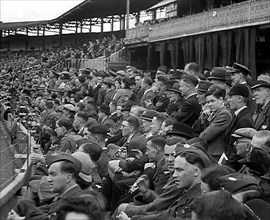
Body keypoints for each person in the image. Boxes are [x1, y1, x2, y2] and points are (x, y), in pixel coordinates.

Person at [7, 153, 88, 220]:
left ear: (68, 178)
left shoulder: (77, 202)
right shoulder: (66, 196)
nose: (48, 179)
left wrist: (22, 219)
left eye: (53, 174)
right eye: (48, 174)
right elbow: (48, 209)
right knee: (24, 203)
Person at [225, 84, 254, 169]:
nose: (228, 101)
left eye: (231, 97)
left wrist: (228, 165)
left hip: (235, 166)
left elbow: (242, 148)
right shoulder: (238, 116)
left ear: (240, 99)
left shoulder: (244, 119)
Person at [199, 86, 232, 160]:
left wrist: (197, 140)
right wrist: (203, 120)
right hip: (210, 152)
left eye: (212, 101)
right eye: (208, 102)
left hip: (216, 154)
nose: (209, 104)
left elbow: (206, 135)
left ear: (220, 100)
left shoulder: (224, 114)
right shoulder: (214, 113)